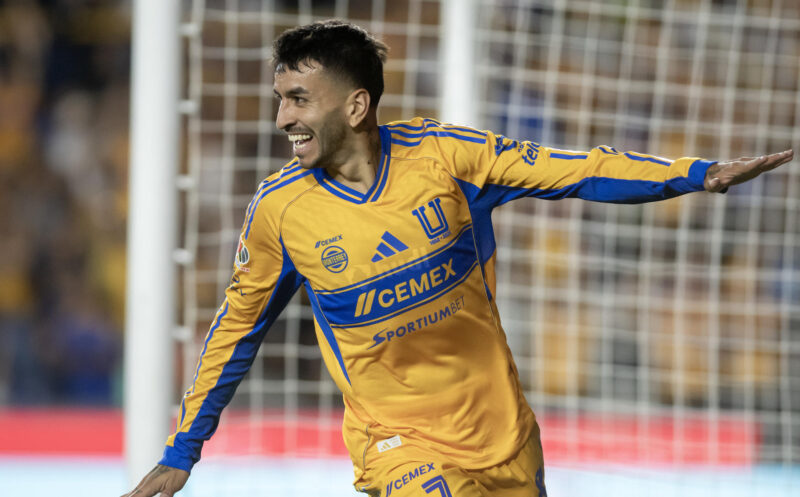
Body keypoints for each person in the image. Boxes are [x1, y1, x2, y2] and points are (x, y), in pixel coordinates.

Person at [122, 20, 793, 497]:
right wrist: (184, 451)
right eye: (279, 100)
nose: (281, 119)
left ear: (357, 105)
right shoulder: (280, 212)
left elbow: (579, 169)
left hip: (502, 434)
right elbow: (236, 331)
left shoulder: (447, 159)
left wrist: (698, 173)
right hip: (398, 446)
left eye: (298, 99)